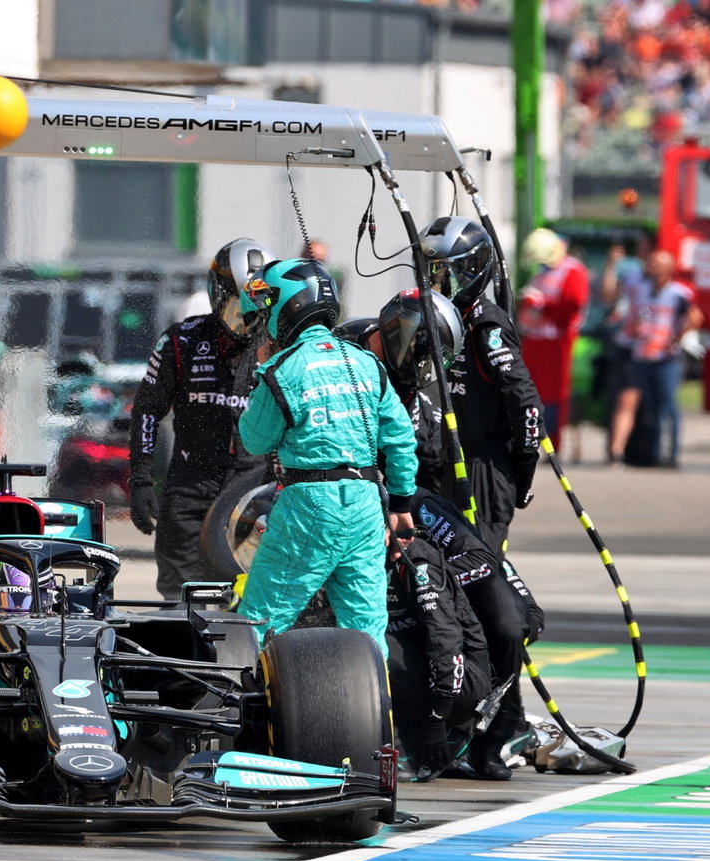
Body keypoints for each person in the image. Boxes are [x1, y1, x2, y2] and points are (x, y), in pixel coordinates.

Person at [345, 295, 541, 780]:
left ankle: (491, 732)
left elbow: (429, 468)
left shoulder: (423, 395)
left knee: (512, 620)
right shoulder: (344, 352)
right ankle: (404, 725)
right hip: (342, 498)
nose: (423, 370)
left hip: (412, 501)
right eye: (419, 356)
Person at [236, 258, 417, 657]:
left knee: (260, 620)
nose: (262, 318)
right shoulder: (369, 364)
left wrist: (261, 372)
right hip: (368, 505)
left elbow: (254, 440)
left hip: (309, 506)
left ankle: (238, 708)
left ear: (287, 306)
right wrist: (401, 502)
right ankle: (374, 713)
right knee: (367, 630)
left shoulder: (280, 368)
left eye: (267, 307)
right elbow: (402, 438)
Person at [129, 238, 273, 601]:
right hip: (190, 485)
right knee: (180, 597)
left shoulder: (279, 347)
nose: (243, 321)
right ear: (218, 294)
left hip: (253, 490)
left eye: (252, 309)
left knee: (251, 597)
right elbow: (147, 410)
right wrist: (141, 480)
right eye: (236, 309)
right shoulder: (181, 341)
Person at [420, 215, 544, 556]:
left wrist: (523, 471)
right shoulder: (439, 321)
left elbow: (527, 405)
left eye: (445, 273)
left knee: (477, 571)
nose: (436, 283)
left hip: (482, 471)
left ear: (472, 270)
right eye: (430, 272)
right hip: (438, 465)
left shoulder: (485, 327)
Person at [385, 532, 492, 783]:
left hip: (461, 677)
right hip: (417, 660)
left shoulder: (418, 565)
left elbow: (444, 639)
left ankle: (441, 730)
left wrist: (437, 718)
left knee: (373, 647)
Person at [607, 250, 700, 468]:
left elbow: (695, 317)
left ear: (668, 269)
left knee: (668, 406)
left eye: (655, 264)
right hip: (643, 355)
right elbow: (635, 315)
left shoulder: (679, 293)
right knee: (651, 408)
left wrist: (676, 338)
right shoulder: (642, 291)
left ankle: (672, 454)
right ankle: (655, 454)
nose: (649, 267)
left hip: (667, 358)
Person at [517, 228, 590, 445]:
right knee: (527, 390)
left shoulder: (572, 272)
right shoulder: (542, 272)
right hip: (535, 339)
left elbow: (572, 307)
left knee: (553, 394)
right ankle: (527, 439)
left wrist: (543, 305)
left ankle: (552, 441)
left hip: (557, 341)